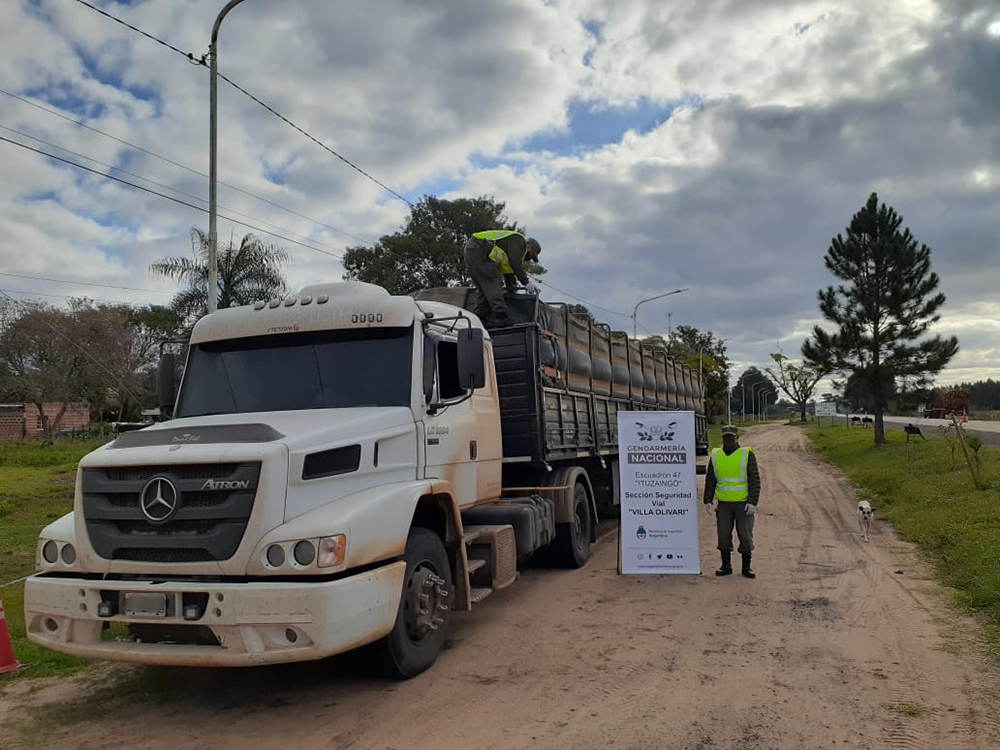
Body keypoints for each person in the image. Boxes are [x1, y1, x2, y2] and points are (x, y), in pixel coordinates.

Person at [703, 425, 761, 578]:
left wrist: (753, 502)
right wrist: (707, 499)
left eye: (731, 437)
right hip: (723, 505)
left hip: (743, 504)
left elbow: (754, 480)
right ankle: (726, 565)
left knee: (746, 536)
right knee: (723, 535)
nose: (728, 440)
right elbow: (711, 479)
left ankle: (746, 567)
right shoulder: (716, 455)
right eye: (725, 437)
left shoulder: (747, 454)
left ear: (737, 438)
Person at [463, 230, 541, 326]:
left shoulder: (507, 248)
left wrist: (511, 292)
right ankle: (500, 316)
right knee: (494, 282)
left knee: (484, 287)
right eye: (531, 254)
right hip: (480, 248)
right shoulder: (519, 241)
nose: (529, 258)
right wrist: (526, 283)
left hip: (473, 249)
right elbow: (515, 264)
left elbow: (509, 275)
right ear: (529, 246)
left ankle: (480, 317)